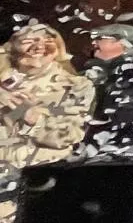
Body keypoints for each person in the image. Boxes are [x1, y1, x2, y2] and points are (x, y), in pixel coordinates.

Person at [0, 23, 94, 173]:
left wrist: (32, 117)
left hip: (39, 173)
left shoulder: (76, 86)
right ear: (12, 50)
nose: (39, 47)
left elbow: (67, 136)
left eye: (48, 41)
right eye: (28, 41)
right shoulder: (3, 79)